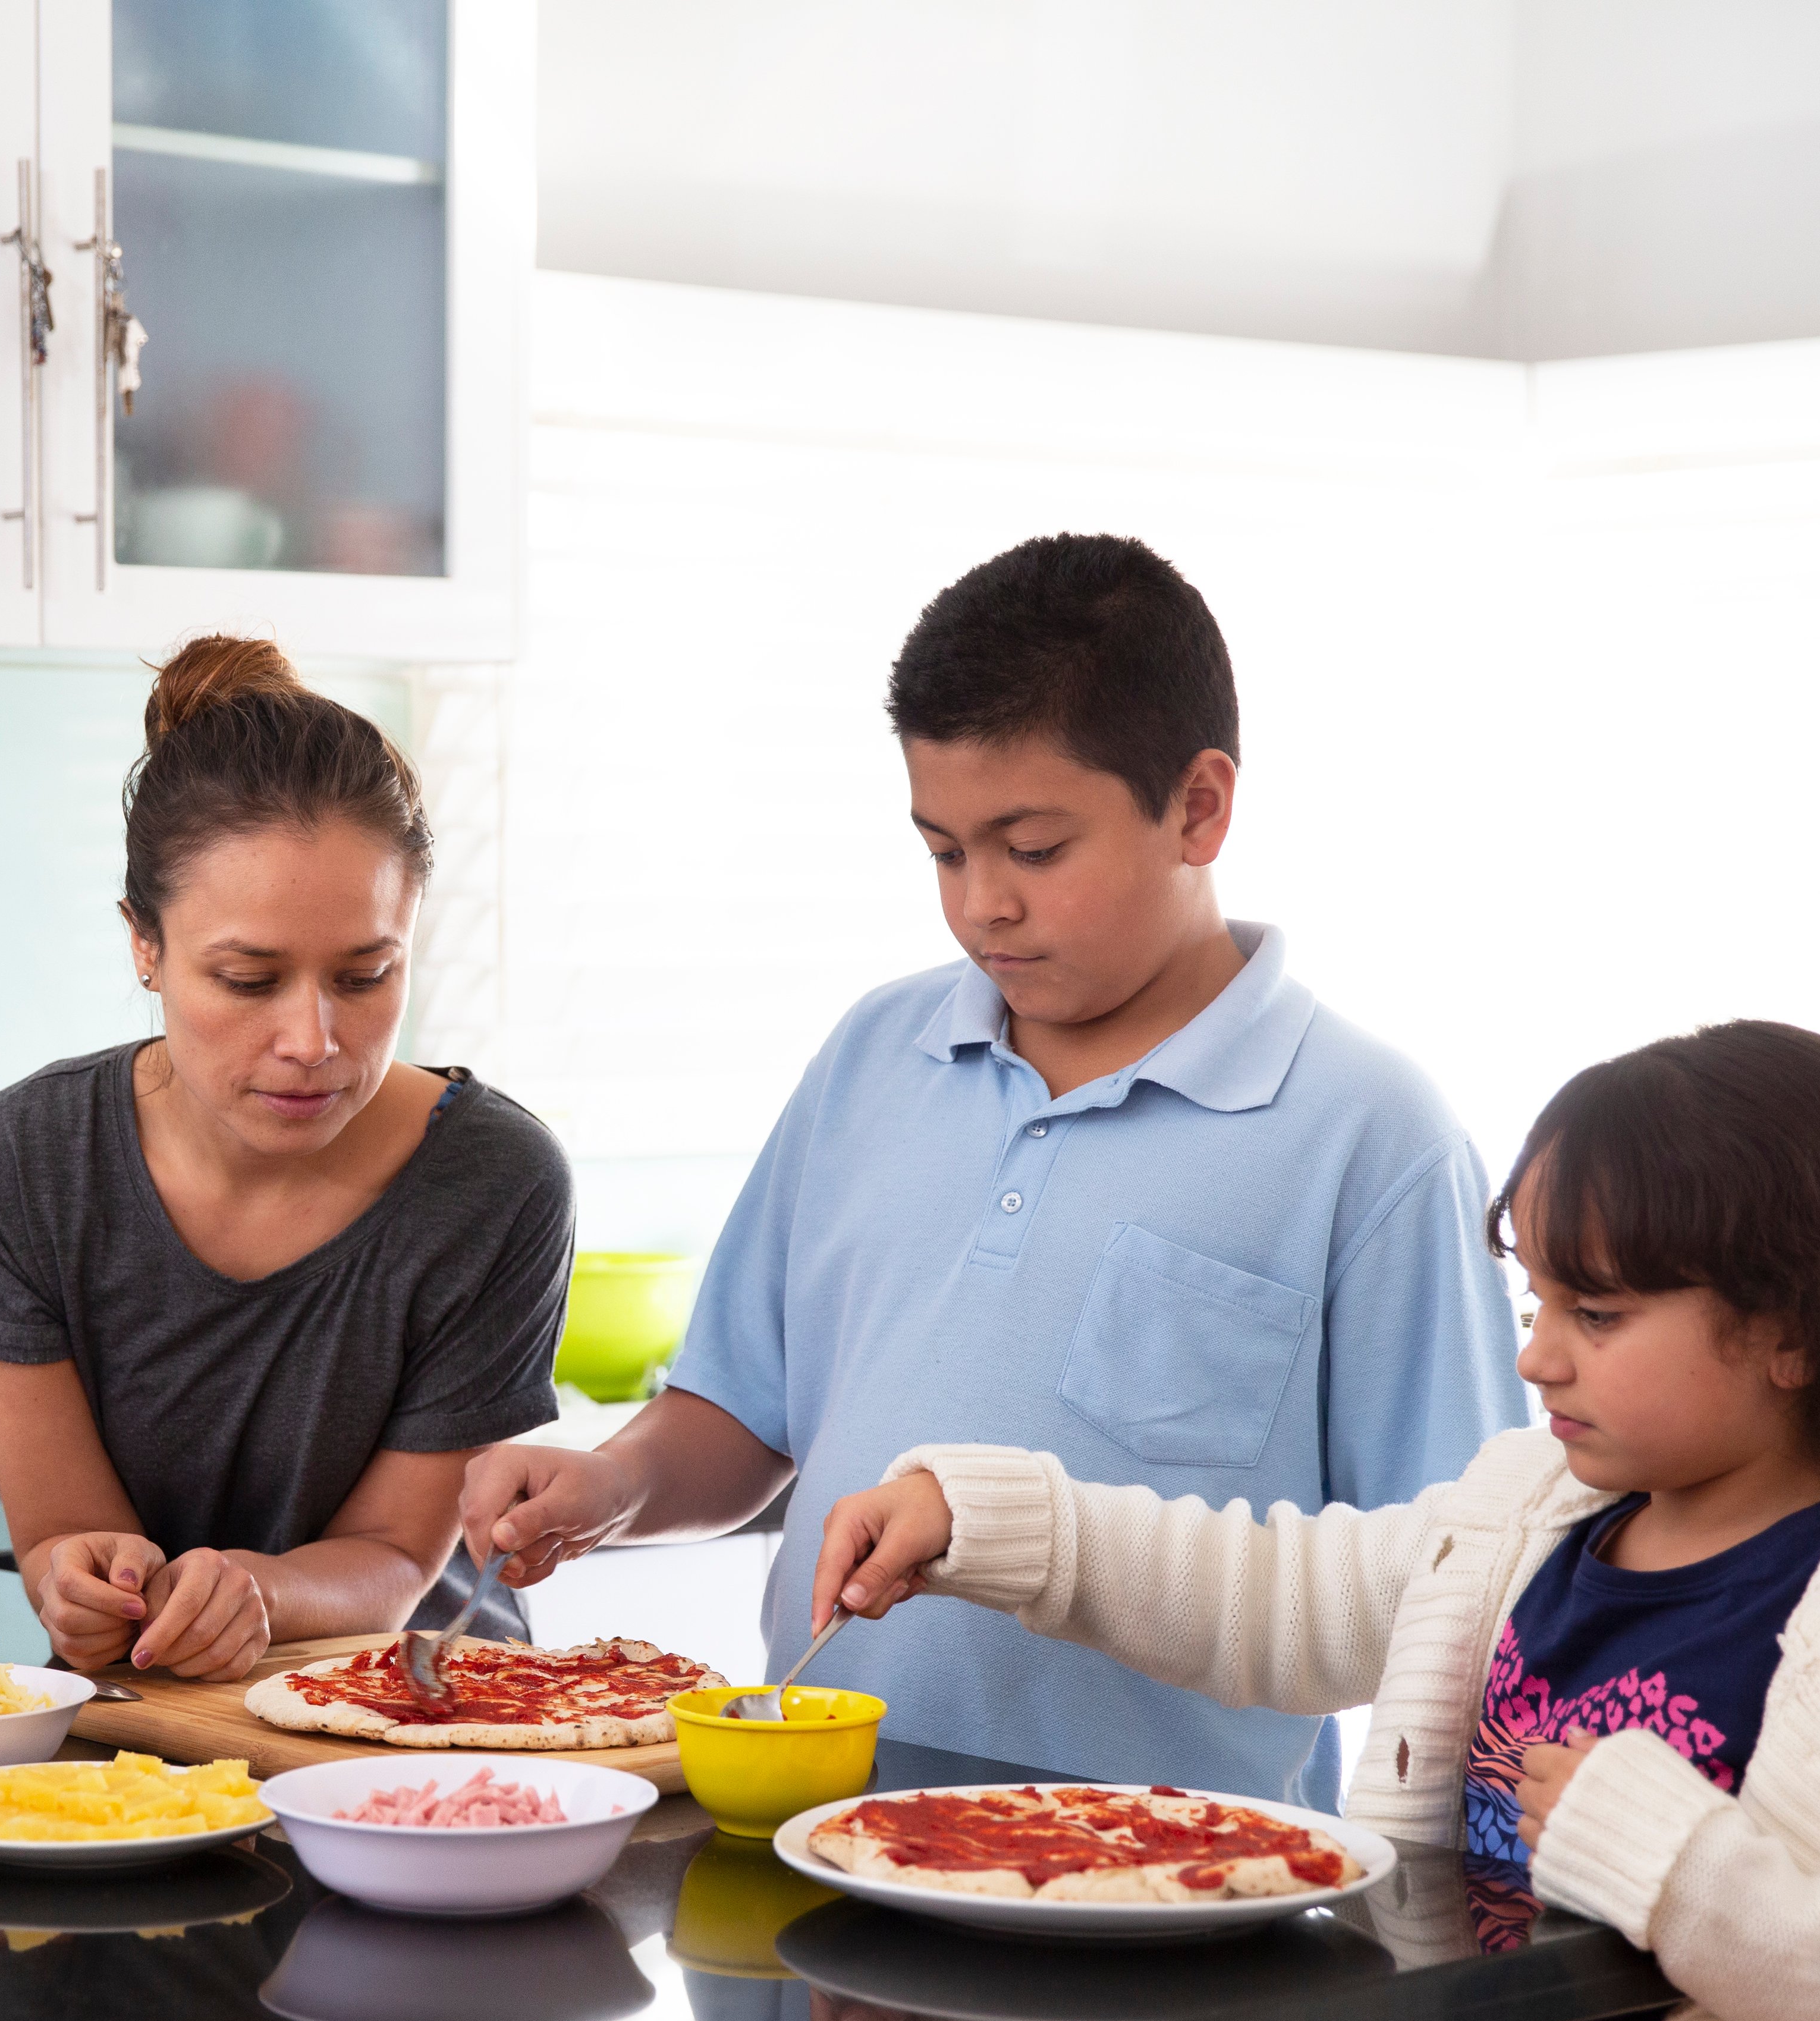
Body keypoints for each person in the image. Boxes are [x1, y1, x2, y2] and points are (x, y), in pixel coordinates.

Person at [812, 1021, 1820, 2021]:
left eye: (1600, 1316)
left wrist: (1678, 1866)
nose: (1535, 1355)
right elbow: (1274, 1588)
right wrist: (988, 1522)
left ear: (1795, 1326)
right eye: (1536, 1298)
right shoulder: (1523, 1517)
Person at [458, 533, 1526, 1800]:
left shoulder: (1371, 1135)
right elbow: (748, 1412)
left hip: (1175, 1891)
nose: (981, 908)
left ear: (1199, 806)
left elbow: (1460, 1582)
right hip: (819, 1829)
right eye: (944, 851)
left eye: (1032, 850)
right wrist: (611, 1485)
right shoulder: (874, 1053)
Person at [0, 637, 573, 1680]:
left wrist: (257, 1592)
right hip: (142, 1727)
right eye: (247, 979)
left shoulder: (494, 1181)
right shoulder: (21, 1165)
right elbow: (62, 1536)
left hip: (418, 1727)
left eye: (366, 975)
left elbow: (397, 1556)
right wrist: (78, 1581)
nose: (314, 1041)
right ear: (145, 944)